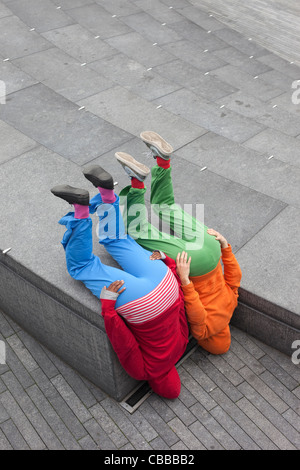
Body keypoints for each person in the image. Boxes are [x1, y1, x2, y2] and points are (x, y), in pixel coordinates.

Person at [50, 165, 189, 399]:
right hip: (142, 303)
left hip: (166, 283)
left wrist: (171, 266)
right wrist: (108, 308)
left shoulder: (182, 345)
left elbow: (182, 308)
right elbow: (123, 343)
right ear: (156, 384)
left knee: (118, 240)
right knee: (82, 267)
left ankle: (106, 194)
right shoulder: (145, 372)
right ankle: (81, 210)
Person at [115, 131, 242, 355]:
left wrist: (225, 246)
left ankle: (162, 160)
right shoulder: (204, 331)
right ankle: (136, 182)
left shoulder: (231, 307)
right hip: (195, 265)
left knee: (166, 205)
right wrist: (185, 279)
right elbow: (195, 312)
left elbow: (234, 278)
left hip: (213, 249)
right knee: (139, 231)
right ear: (209, 341)